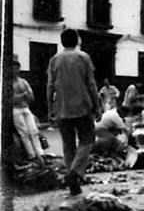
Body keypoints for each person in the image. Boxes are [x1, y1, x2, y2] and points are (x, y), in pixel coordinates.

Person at [47, 29, 101, 196]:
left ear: (62, 41)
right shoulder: (83, 57)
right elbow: (91, 84)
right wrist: (97, 106)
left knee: (68, 145)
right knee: (87, 140)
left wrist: (50, 108)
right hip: (83, 106)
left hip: (62, 107)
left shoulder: (54, 60)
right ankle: (74, 172)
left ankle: (73, 184)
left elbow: (50, 86)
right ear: (77, 40)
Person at [13, 58, 44, 163]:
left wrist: (21, 97)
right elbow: (11, 99)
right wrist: (23, 95)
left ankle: (40, 153)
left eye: (17, 69)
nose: (15, 71)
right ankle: (31, 155)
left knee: (34, 131)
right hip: (15, 109)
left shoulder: (23, 82)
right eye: (13, 69)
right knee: (24, 132)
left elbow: (31, 96)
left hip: (25, 107)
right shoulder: (9, 83)